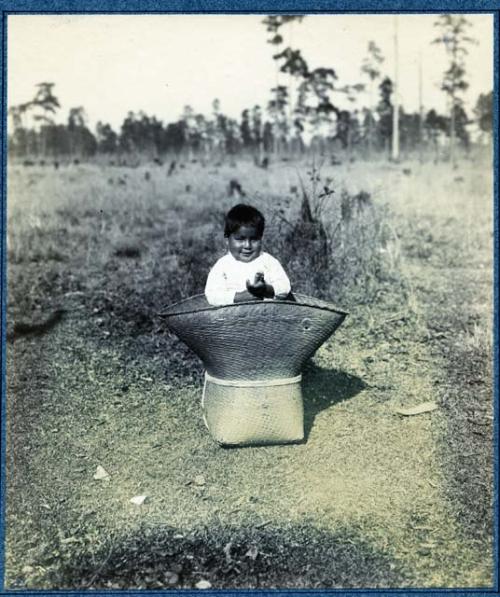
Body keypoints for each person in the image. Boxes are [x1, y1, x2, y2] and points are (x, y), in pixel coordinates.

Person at [205, 204, 291, 306]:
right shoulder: (223, 265)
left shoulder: (268, 261)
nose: (247, 245)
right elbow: (212, 294)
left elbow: (285, 286)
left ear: (261, 238)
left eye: (254, 239)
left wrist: (266, 290)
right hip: (230, 319)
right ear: (227, 240)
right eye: (240, 239)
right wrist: (240, 297)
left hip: (267, 316)